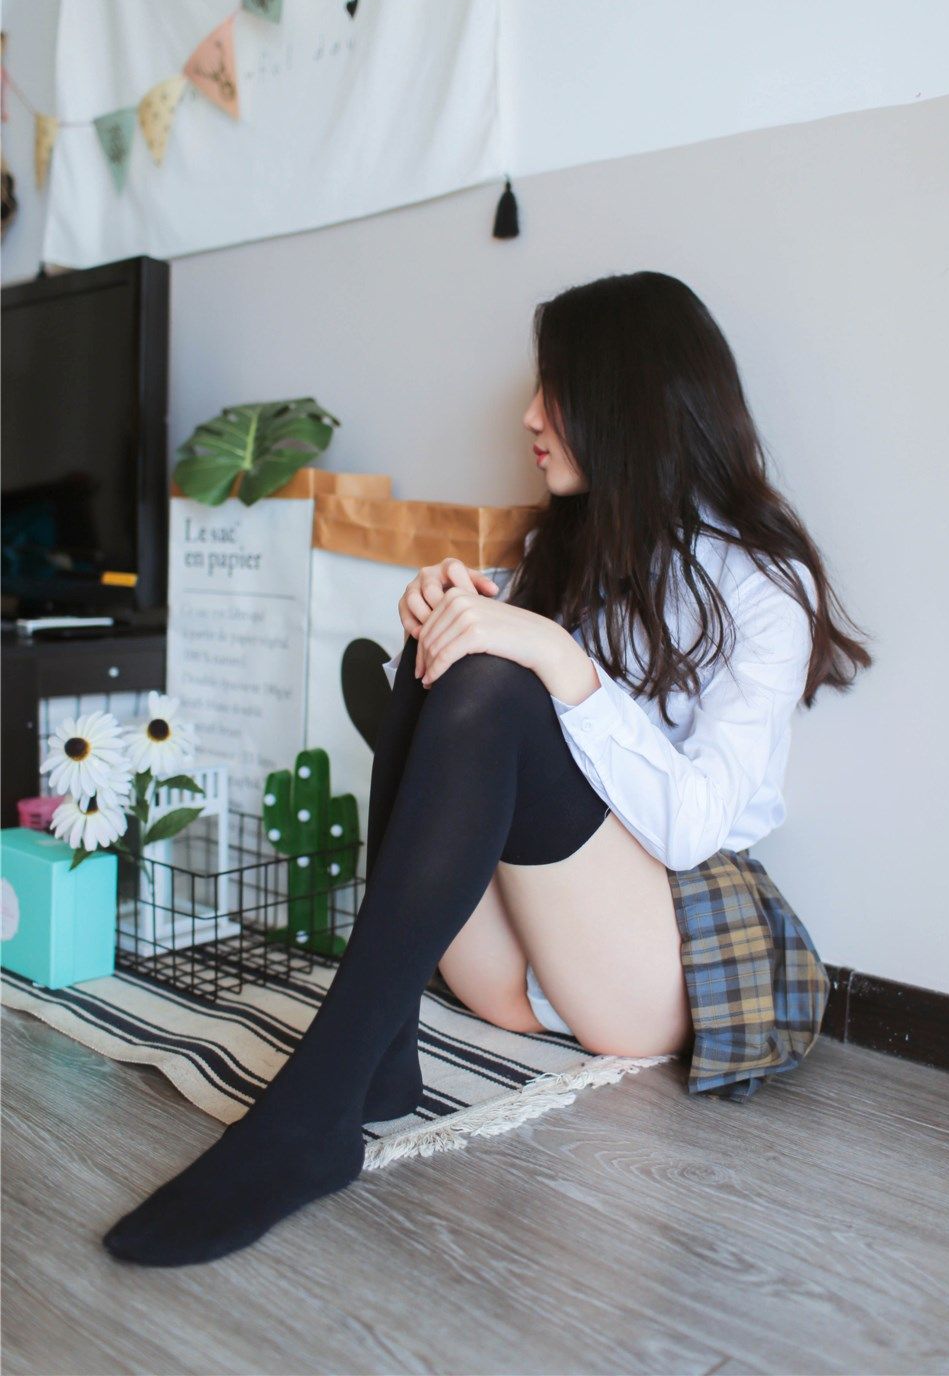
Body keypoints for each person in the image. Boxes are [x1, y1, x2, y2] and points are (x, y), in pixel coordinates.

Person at [101, 269, 872, 1267]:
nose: (529, 416)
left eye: (556, 391)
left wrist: (558, 657)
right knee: (453, 655)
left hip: (662, 957)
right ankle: (380, 1059)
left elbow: (693, 828)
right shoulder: (569, 547)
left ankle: (312, 1116)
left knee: (500, 675)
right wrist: (449, 613)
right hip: (518, 970)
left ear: (629, 404)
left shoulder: (763, 585)